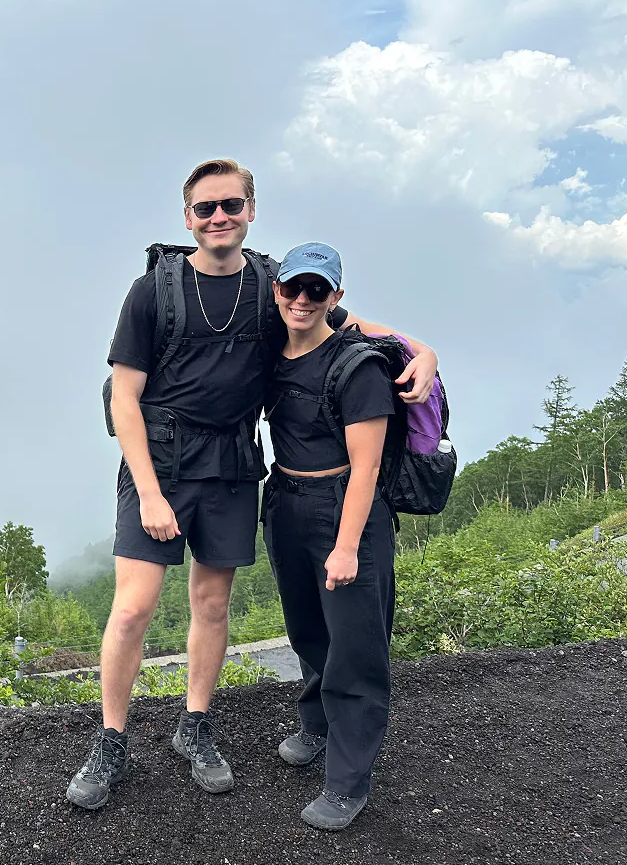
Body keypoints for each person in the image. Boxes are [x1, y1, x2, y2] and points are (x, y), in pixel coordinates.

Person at [66, 158, 437, 811]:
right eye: (206, 208)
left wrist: (420, 350)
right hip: (160, 462)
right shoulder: (153, 290)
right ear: (187, 219)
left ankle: (196, 727)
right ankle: (112, 741)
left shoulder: (273, 281)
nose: (219, 218)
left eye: (231, 206)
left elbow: (345, 323)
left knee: (212, 605)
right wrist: (150, 493)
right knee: (132, 608)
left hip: (234, 464)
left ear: (251, 211)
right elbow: (125, 397)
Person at [262, 241, 396, 831]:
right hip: (285, 501)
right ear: (278, 290)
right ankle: (317, 728)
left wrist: (346, 546)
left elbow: (366, 467)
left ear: (335, 297)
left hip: (344, 508)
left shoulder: (357, 365)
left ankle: (347, 783)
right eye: (293, 287)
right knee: (307, 629)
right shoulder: (273, 350)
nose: (302, 299)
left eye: (317, 290)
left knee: (355, 647)